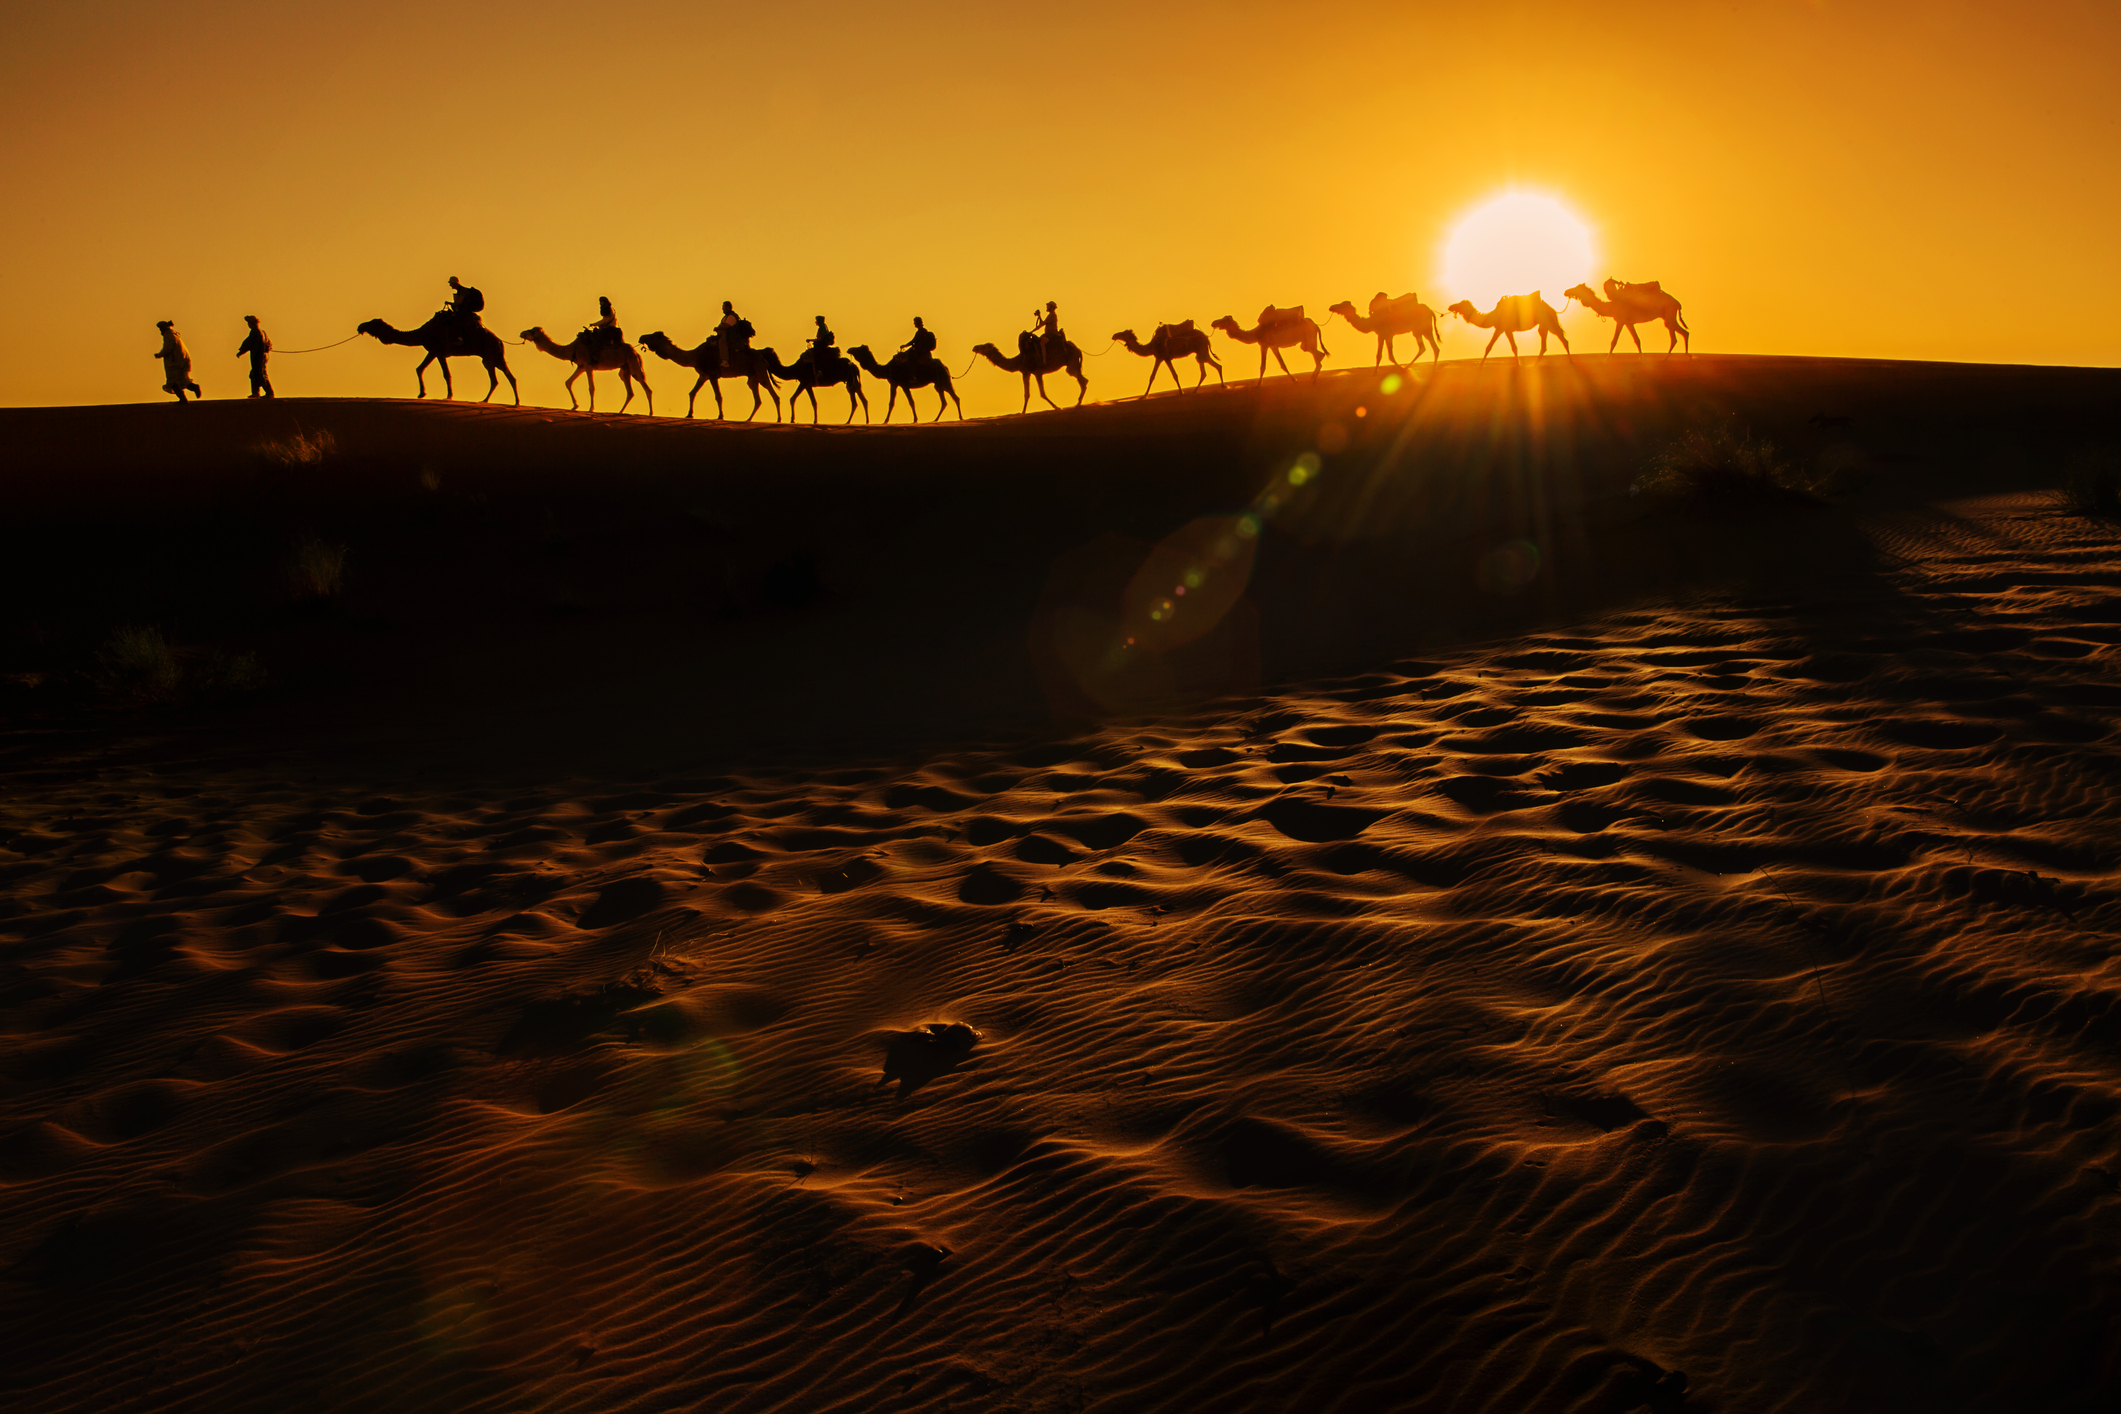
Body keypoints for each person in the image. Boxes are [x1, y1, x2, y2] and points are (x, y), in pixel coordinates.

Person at [154, 320, 201, 402]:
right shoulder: (175, 335)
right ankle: (193, 388)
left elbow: (168, 348)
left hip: (175, 363)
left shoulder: (169, 336)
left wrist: (159, 355)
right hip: (182, 360)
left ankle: (183, 398)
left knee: (172, 382)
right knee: (183, 380)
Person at [237, 315, 273, 399]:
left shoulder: (255, 332)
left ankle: (269, 393)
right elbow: (269, 344)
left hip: (259, 357)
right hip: (261, 356)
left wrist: (241, 352)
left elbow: (248, 343)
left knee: (261, 374)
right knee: (254, 374)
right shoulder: (263, 332)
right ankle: (256, 393)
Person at [716, 300, 752, 365]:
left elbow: (727, 326)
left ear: (727, 307)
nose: (722, 309)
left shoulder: (732, 317)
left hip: (732, 336)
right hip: (726, 334)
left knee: (722, 341)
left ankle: (725, 360)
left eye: (723, 307)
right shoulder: (725, 317)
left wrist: (718, 328)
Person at [586, 295, 620, 359]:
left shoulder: (609, 309)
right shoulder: (611, 309)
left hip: (610, 328)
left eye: (601, 302)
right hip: (610, 327)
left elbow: (605, 321)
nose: (600, 304)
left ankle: (595, 355)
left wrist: (594, 324)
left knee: (597, 338)